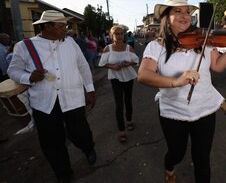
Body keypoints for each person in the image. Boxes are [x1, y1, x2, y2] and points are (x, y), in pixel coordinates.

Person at [137, 0, 226, 182]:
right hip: (173, 110)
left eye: (188, 12)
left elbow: (218, 66)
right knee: (176, 153)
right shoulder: (156, 46)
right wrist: (176, 81)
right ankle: (169, 167)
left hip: (204, 108)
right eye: (178, 11)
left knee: (202, 159)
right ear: (167, 17)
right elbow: (143, 75)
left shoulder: (204, 41)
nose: (185, 16)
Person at [7, 10, 96, 182]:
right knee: (52, 143)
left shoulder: (71, 43)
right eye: (61, 26)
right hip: (44, 103)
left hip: (73, 98)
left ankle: (88, 148)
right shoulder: (25, 46)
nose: (66, 29)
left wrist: (90, 90)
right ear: (46, 26)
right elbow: (13, 71)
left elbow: (83, 66)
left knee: (80, 132)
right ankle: (64, 174)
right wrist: (28, 77)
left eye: (66, 26)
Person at [98, 25, 139, 142]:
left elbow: (136, 60)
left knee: (128, 100)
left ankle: (129, 119)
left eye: (122, 34)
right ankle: (121, 129)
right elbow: (102, 63)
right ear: (112, 36)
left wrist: (128, 63)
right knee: (119, 104)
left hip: (129, 77)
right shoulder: (108, 49)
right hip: (115, 78)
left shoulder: (128, 48)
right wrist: (112, 66)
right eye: (117, 34)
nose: (120, 36)